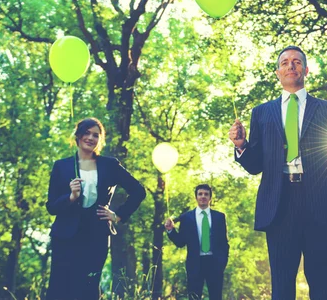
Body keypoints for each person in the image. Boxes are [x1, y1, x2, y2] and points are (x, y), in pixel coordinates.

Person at [229, 45, 327, 300]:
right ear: (278, 72)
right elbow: (256, 166)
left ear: (306, 70)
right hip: (279, 205)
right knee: (282, 284)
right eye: (285, 62)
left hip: (319, 203)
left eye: (296, 62)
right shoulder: (262, 112)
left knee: (322, 282)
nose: (290, 66)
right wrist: (241, 146)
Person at [46, 118, 146, 300]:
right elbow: (51, 206)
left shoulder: (110, 165)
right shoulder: (62, 166)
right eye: (87, 133)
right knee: (60, 289)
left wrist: (119, 215)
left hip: (96, 236)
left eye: (96, 135)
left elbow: (138, 191)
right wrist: (70, 197)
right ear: (78, 135)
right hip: (65, 237)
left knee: (89, 288)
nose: (91, 138)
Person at [164, 184, 229, 300]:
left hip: (215, 263)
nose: (203, 196)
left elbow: (224, 243)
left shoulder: (219, 217)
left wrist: (222, 263)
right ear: (196, 197)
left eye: (206, 194)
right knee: (194, 297)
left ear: (210, 198)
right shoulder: (186, 217)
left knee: (216, 297)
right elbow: (180, 242)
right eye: (200, 194)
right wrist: (171, 231)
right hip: (195, 264)